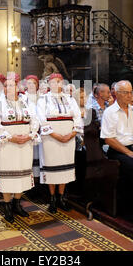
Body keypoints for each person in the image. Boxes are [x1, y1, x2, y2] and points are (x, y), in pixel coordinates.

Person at [0, 73, 41, 223]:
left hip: (24, 144)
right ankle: (7, 207)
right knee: (7, 176)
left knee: (21, 175)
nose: (7, 88)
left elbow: (35, 119)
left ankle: (17, 204)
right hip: (6, 145)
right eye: (5, 85)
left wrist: (30, 135)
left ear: (18, 87)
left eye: (11, 85)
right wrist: (10, 137)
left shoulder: (26, 103)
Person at [37, 73, 83, 214]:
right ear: (49, 84)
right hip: (50, 139)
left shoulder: (70, 99)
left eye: (60, 81)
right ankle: (52, 199)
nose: (58, 84)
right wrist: (55, 135)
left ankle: (61, 198)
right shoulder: (43, 99)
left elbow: (77, 117)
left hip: (68, 138)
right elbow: (41, 119)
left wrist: (72, 133)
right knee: (52, 167)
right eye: (55, 81)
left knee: (64, 169)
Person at [101, 80, 133, 216]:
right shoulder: (110, 112)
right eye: (126, 93)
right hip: (118, 150)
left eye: (131, 92)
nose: (129, 95)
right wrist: (128, 152)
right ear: (116, 94)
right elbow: (108, 138)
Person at [20, 75, 41, 183]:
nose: (31, 85)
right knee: (29, 158)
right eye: (29, 83)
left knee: (40, 157)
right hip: (28, 131)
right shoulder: (23, 98)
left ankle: (39, 183)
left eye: (34, 83)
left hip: (41, 132)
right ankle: (29, 182)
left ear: (37, 85)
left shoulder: (42, 96)